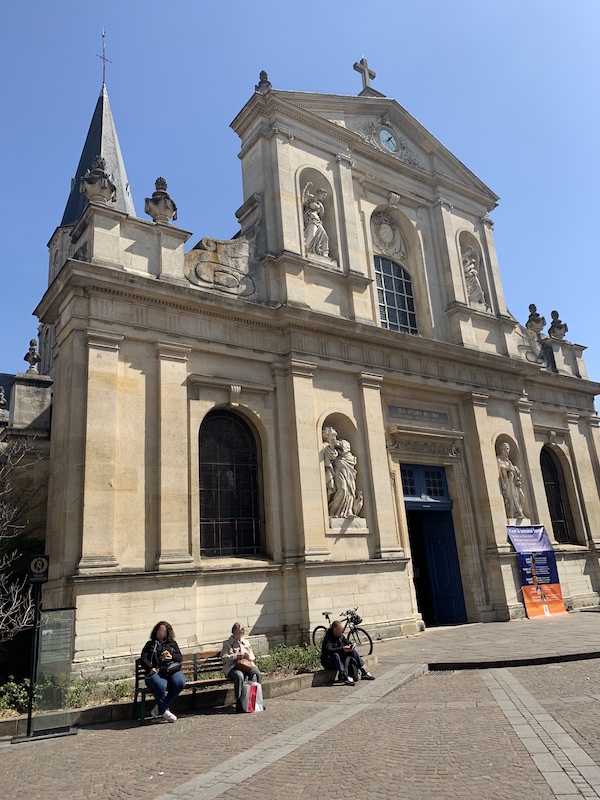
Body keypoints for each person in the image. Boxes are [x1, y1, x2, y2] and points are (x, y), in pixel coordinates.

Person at [140, 620, 186, 722]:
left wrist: (172, 656)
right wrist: (150, 668)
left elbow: (179, 657)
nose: (161, 632)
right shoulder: (150, 644)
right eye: (159, 630)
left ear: (167, 633)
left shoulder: (172, 644)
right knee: (160, 685)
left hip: (171, 671)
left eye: (163, 631)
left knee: (180, 682)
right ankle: (164, 710)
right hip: (156, 672)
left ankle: (160, 707)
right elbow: (143, 658)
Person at [221, 622, 262, 713]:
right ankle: (239, 702)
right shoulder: (227, 643)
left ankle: (256, 700)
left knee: (256, 673)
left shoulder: (246, 642)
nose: (239, 635)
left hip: (246, 665)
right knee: (239, 676)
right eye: (237, 633)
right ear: (233, 633)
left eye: (241, 633)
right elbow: (224, 658)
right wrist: (235, 656)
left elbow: (252, 656)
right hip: (232, 667)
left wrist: (248, 656)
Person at [320, 621, 375, 685]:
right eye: (340, 630)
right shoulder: (328, 637)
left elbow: (346, 641)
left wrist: (350, 645)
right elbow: (328, 650)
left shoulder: (340, 635)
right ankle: (345, 676)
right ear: (335, 629)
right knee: (336, 655)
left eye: (342, 631)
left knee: (353, 652)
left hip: (339, 659)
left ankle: (363, 672)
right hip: (328, 661)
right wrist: (342, 649)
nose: (341, 632)